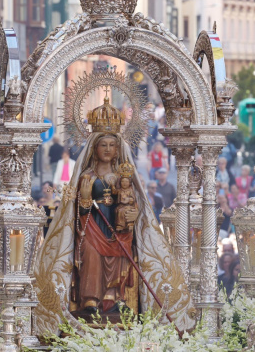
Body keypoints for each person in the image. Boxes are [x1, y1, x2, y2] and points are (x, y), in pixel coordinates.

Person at [33, 95, 196, 336]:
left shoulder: (125, 176)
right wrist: (86, 199)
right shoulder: (86, 176)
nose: (108, 149)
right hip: (91, 227)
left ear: (118, 147)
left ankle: (114, 298)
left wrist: (132, 212)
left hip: (119, 230)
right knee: (90, 256)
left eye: (112, 145)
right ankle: (90, 300)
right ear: (94, 148)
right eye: (103, 145)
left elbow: (137, 203)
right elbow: (73, 210)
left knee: (120, 260)